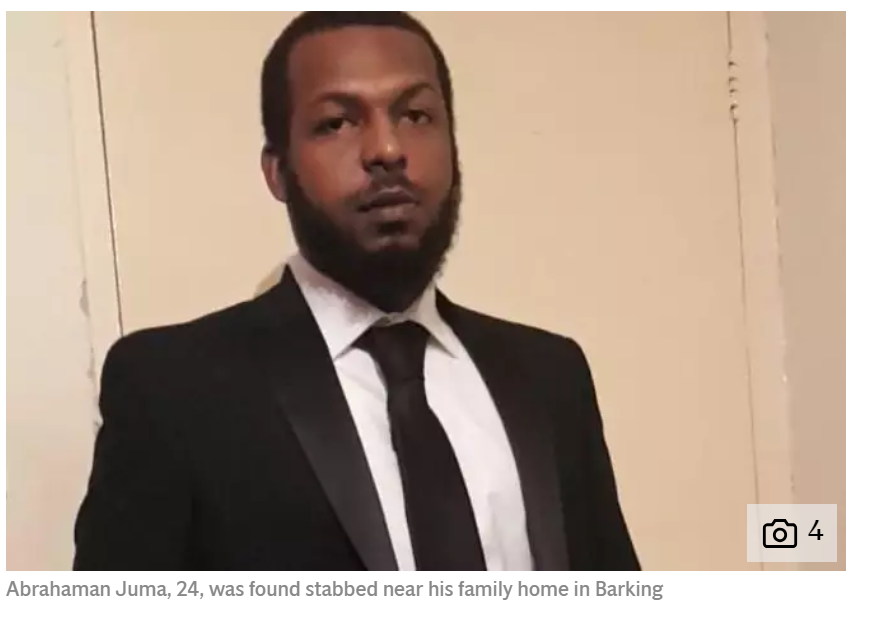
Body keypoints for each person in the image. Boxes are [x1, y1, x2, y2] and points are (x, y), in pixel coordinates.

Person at [73, 11, 640, 571]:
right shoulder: (173, 393)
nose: (387, 149)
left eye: (416, 115)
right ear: (277, 171)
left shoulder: (549, 377)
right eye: (337, 123)